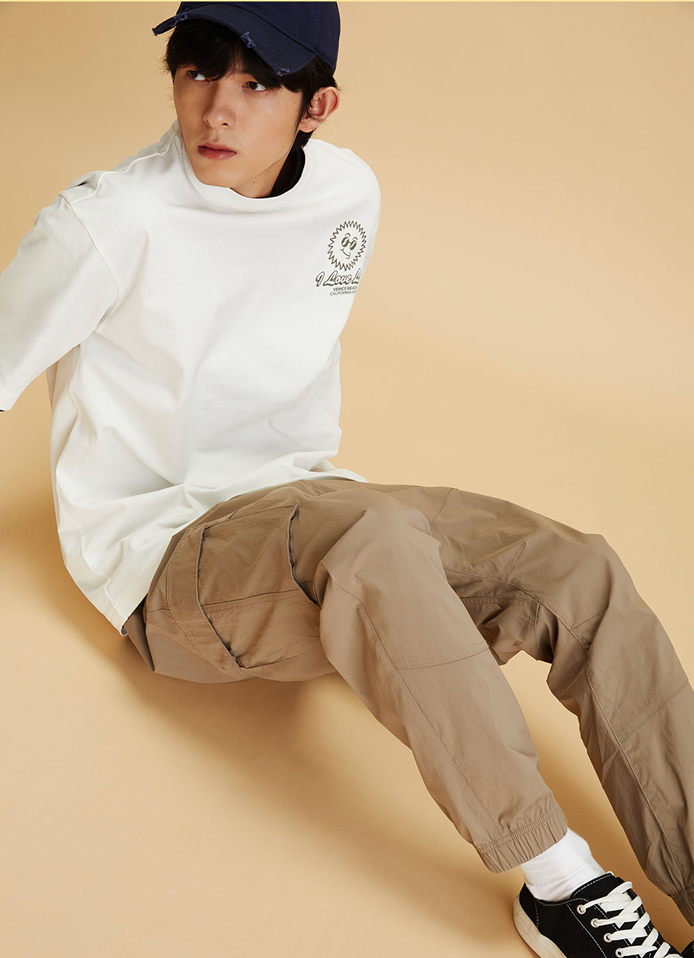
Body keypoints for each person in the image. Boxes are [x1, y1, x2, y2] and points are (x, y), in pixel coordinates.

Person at [1, 4, 692, 956]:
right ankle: (562, 885)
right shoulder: (106, 222)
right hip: (164, 558)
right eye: (198, 72)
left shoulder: (347, 193)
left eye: (256, 84)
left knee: (580, 571)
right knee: (375, 542)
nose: (217, 110)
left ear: (317, 106)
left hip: (318, 507)